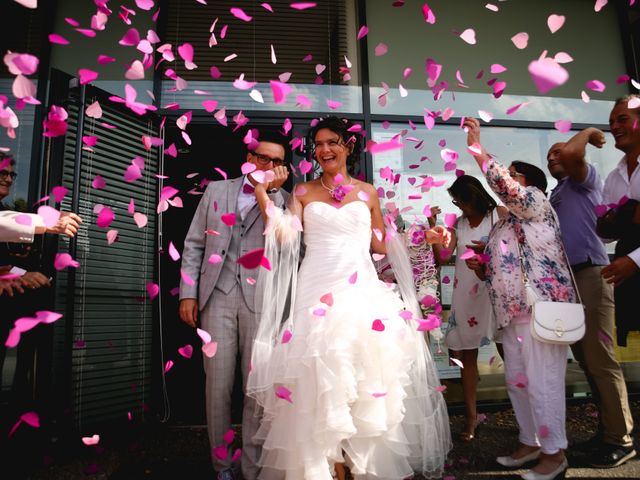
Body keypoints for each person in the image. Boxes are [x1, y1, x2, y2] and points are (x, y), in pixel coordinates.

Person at [247, 116, 452, 480]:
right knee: (319, 379)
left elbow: (381, 244)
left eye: (332, 143)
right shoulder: (303, 193)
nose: (324, 150)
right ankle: (329, 466)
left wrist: (423, 238)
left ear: (348, 146)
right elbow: (282, 235)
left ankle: (363, 467)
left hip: (361, 293)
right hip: (316, 291)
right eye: (319, 145)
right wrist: (263, 192)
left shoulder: (367, 192)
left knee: (365, 376)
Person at [464, 117, 574, 480]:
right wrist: (484, 265)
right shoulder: (504, 223)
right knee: (518, 380)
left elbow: (507, 190)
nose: (507, 179)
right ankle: (530, 441)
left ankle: (554, 453)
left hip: (540, 307)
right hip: (512, 312)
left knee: (543, 381)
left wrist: (478, 150)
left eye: (514, 174)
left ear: (528, 183)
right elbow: (505, 263)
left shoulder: (536, 201)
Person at [179, 133, 290, 480]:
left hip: (261, 303)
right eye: (262, 158)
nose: (268, 166)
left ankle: (253, 468)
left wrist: (268, 195)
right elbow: (195, 243)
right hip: (218, 298)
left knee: (255, 389)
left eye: (276, 161)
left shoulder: (285, 201)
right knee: (217, 387)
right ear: (248, 156)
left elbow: (287, 248)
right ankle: (222, 467)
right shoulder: (217, 191)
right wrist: (188, 293)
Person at [547, 128, 636, 468]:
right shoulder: (557, 192)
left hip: (591, 273)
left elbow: (572, 155)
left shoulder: (585, 179)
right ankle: (607, 431)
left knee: (601, 360)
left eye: (558, 152)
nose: (554, 157)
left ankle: (621, 439)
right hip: (567, 282)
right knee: (586, 361)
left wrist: (585, 133)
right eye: (550, 156)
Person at [434, 175, 506, 442]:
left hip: (495, 291)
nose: (458, 206)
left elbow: (512, 252)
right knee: (466, 358)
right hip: (466, 293)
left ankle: (527, 412)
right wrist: (434, 230)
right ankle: (471, 417)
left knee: (509, 350)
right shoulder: (458, 224)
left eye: (460, 200)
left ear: (473, 195)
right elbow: (443, 257)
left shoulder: (497, 214)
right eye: (455, 201)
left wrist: (487, 255)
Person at [600, 95, 640, 347]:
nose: (614, 127)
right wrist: (631, 214)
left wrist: (634, 261)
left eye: (622, 119)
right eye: (611, 121)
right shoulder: (614, 179)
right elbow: (604, 232)